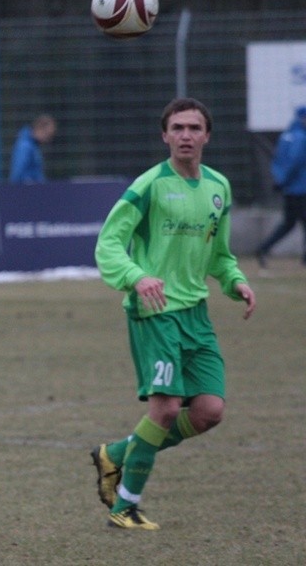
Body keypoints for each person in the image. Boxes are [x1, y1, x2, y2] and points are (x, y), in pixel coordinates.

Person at [91, 97, 256, 531]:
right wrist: (136, 276)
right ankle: (124, 506)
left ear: (207, 136)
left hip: (196, 314)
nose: (186, 135)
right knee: (164, 410)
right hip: (155, 311)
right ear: (165, 135)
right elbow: (108, 244)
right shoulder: (148, 185)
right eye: (177, 128)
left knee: (209, 411)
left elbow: (218, 253)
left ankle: (116, 454)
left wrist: (235, 280)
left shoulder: (219, 187)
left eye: (194, 128)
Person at [255, 105, 306, 268]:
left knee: (289, 223)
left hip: (289, 188)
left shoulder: (286, 136)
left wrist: (280, 180)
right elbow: (295, 161)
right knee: (291, 223)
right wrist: (285, 180)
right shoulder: (301, 137)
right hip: (301, 188)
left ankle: (263, 249)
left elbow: (277, 161)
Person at [8, 114, 56, 183]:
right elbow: (17, 173)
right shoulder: (25, 146)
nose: (49, 139)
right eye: (48, 134)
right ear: (39, 129)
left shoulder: (33, 146)